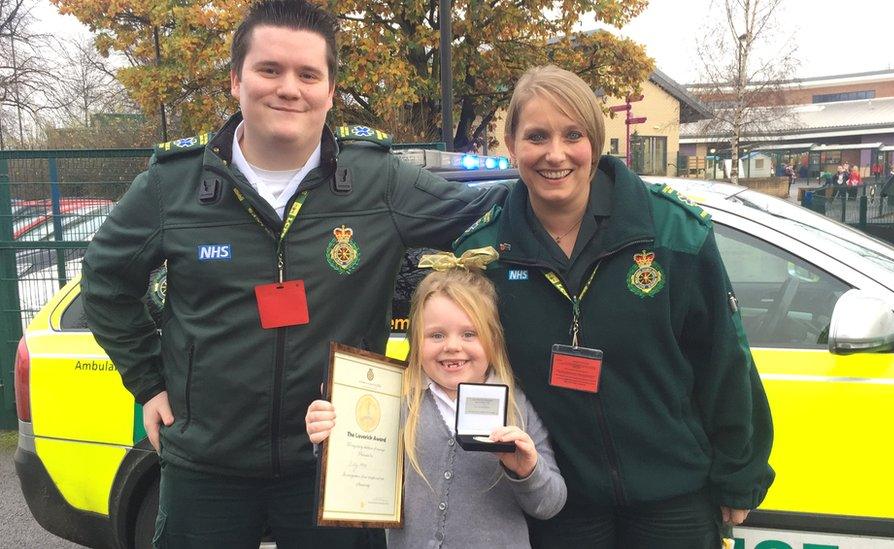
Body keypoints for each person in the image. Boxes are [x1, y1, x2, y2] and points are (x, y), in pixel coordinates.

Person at [80, 1, 507, 546]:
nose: (289, 88)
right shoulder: (174, 186)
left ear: (330, 91)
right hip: (208, 464)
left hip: (337, 463)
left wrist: (590, 181)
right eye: (269, 70)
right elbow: (105, 279)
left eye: (309, 74)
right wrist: (147, 382)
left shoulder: (378, 181)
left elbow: (491, 216)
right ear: (236, 80)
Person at [454, 65, 774, 548]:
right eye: (536, 136)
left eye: (573, 135)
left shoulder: (672, 233)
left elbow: (725, 361)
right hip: (559, 505)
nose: (555, 154)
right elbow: (454, 364)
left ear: (596, 140)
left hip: (673, 503)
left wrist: (739, 474)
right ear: (512, 143)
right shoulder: (484, 256)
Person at [306, 253, 567, 547]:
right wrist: (330, 435)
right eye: (437, 335)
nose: (452, 347)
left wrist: (527, 470)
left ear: (493, 340)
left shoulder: (516, 408)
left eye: (470, 334)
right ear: (416, 341)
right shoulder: (399, 401)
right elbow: (356, 466)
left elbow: (550, 504)